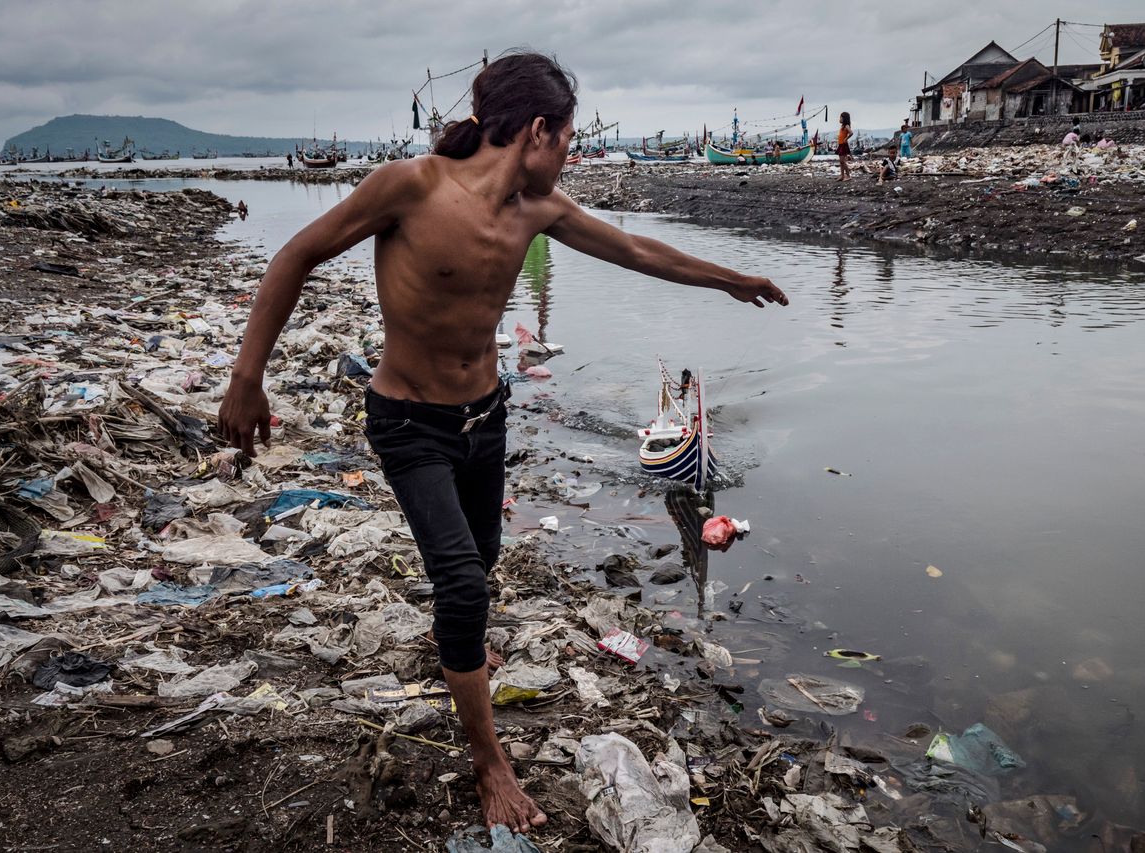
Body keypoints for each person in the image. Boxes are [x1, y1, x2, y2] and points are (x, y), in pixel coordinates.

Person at [216, 51, 786, 835]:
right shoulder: (410, 188)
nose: (572, 157)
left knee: (476, 566)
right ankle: (490, 761)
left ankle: (458, 654)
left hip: (487, 416)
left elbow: (639, 251)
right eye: (570, 140)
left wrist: (730, 277)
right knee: (463, 582)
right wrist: (249, 376)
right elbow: (296, 255)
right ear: (539, 130)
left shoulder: (537, 210)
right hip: (409, 422)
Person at [836, 111, 853, 181]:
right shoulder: (842, 126)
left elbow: (851, 133)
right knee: (841, 161)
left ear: (844, 118)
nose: (839, 119)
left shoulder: (846, 126)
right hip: (840, 145)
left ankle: (848, 176)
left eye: (841, 117)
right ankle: (842, 175)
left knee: (842, 161)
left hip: (844, 145)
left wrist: (846, 138)